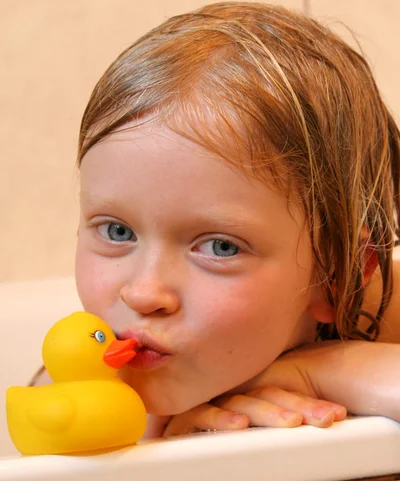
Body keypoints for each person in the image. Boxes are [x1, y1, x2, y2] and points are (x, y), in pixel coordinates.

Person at [34, 2, 400, 439]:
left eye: (220, 247)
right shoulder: (98, 372)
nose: (143, 293)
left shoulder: (384, 310)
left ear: (339, 275)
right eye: (118, 231)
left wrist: (324, 370)